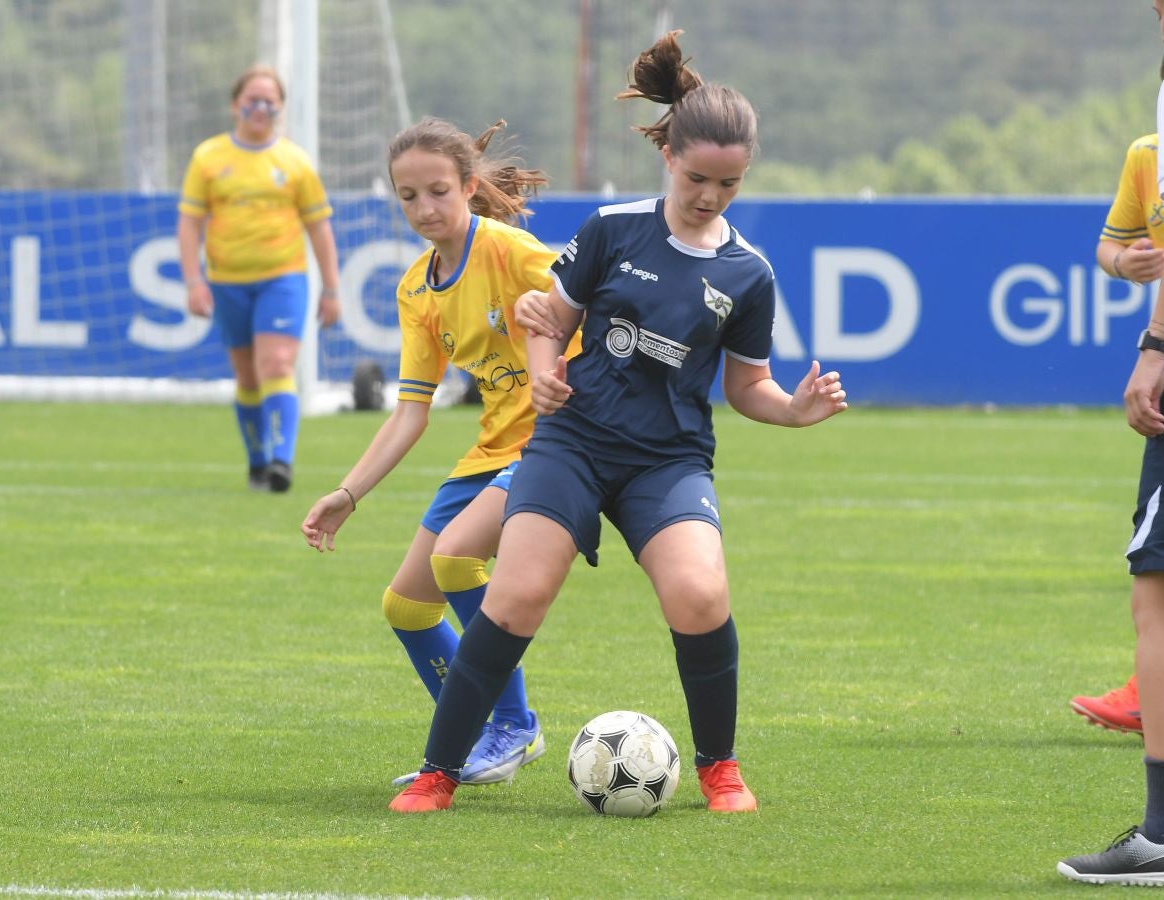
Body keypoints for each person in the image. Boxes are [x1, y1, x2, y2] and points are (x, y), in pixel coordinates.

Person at [389, 30, 848, 815]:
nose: (709, 196)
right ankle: (439, 771)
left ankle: (720, 770)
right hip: (573, 444)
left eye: (729, 184)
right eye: (698, 176)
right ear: (667, 155)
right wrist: (541, 375)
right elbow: (545, 318)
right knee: (516, 595)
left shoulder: (748, 273)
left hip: (666, 463)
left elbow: (748, 388)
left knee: (700, 596)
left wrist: (794, 412)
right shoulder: (611, 228)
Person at [301, 116, 579, 784]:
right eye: (407, 196)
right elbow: (409, 413)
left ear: (467, 187)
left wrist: (562, 370)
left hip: (556, 443)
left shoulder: (510, 251)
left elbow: (588, 300)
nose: (423, 208)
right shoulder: (416, 290)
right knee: (405, 606)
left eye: (436, 192)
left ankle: (513, 728)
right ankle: (484, 731)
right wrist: (347, 493)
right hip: (489, 453)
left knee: (456, 557)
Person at [1057, 3, 1164, 884]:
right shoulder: (1146, 144)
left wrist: (1155, 345)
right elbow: (1116, 243)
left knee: (1157, 592)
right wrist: (1124, 262)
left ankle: (1163, 833)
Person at [177, 64, 341, 494]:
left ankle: (281, 462)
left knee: (278, 365)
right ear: (236, 105)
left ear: (281, 109)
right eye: (252, 99)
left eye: (271, 101)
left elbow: (319, 228)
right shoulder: (208, 158)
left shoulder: (295, 162)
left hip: (282, 279)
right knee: (248, 376)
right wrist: (194, 281)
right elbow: (190, 222)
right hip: (227, 282)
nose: (261, 107)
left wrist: (331, 288)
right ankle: (256, 461)